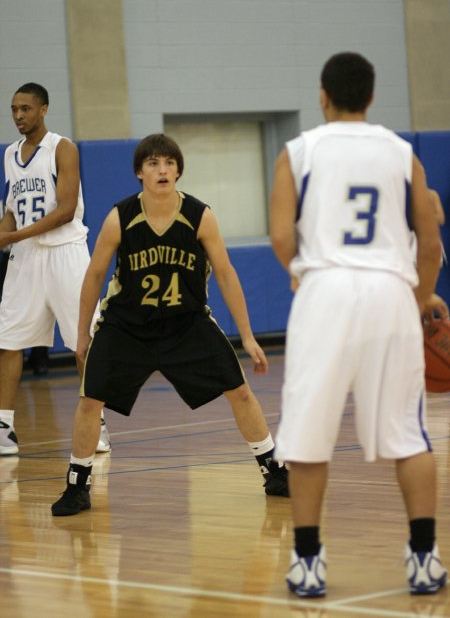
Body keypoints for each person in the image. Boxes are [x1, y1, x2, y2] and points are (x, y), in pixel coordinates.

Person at [270, 52, 448, 598]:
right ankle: (423, 559)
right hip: (389, 293)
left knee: (307, 434)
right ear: (372, 98)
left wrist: (304, 271)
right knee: (407, 433)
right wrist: (417, 297)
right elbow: (432, 242)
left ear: (323, 96)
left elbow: (280, 234)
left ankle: (308, 564)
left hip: (326, 290)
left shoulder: (298, 152)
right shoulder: (402, 154)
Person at [51, 133, 288, 516]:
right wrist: (82, 334)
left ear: (178, 170)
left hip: (186, 323)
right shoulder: (121, 217)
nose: (162, 170)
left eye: (169, 163)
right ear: (139, 173)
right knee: (89, 399)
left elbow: (226, 274)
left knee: (240, 391)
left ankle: (274, 472)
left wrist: (247, 335)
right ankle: (77, 486)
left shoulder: (199, 215)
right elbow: (94, 276)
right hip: (126, 326)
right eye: (153, 164)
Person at [0, 83, 110, 455]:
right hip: (25, 258)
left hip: (66, 253)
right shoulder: (10, 154)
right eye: (14, 109)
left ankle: (97, 425)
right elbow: (11, 211)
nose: (18, 115)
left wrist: (12, 237)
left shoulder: (63, 148)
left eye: (25, 108)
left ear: (43, 109)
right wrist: (4, 234)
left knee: (83, 343)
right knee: (8, 341)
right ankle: (4, 429)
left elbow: (65, 211)